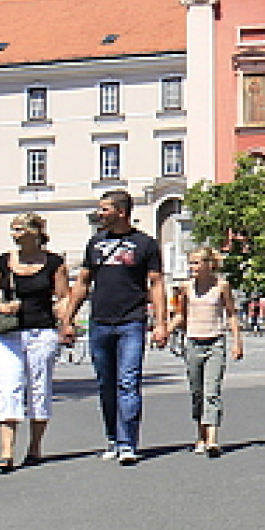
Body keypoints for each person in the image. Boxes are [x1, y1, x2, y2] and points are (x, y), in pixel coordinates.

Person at [64, 190, 168, 466]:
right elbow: (83, 283)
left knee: (128, 382)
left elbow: (156, 284)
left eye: (104, 210)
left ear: (121, 212)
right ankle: (113, 437)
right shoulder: (95, 243)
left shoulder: (144, 244)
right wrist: (68, 319)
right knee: (105, 383)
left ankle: (128, 443)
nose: (100, 214)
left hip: (132, 321)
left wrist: (161, 323)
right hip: (100, 322)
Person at [0, 212, 70, 471]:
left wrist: (65, 323)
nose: (15, 234)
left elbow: (63, 296)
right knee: (9, 388)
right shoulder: (3, 262)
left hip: (41, 332)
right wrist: (1, 305)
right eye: (13, 230)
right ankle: (6, 452)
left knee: (39, 389)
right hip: (8, 334)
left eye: (19, 229)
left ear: (35, 232)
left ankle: (35, 448)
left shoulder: (54, 263)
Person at [169, 247, 243, 458]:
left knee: (212, 391)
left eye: (196, 263)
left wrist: (237, 342)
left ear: (208, 265)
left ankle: (212, 439)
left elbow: (231, 314)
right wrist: (165, 330)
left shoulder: (221, 286)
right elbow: (180, 315)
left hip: (215, 342)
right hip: (193, 342)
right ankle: (200, 436)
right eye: (190, 263)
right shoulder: (186, 288)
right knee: (197, 392)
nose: (192, 267)